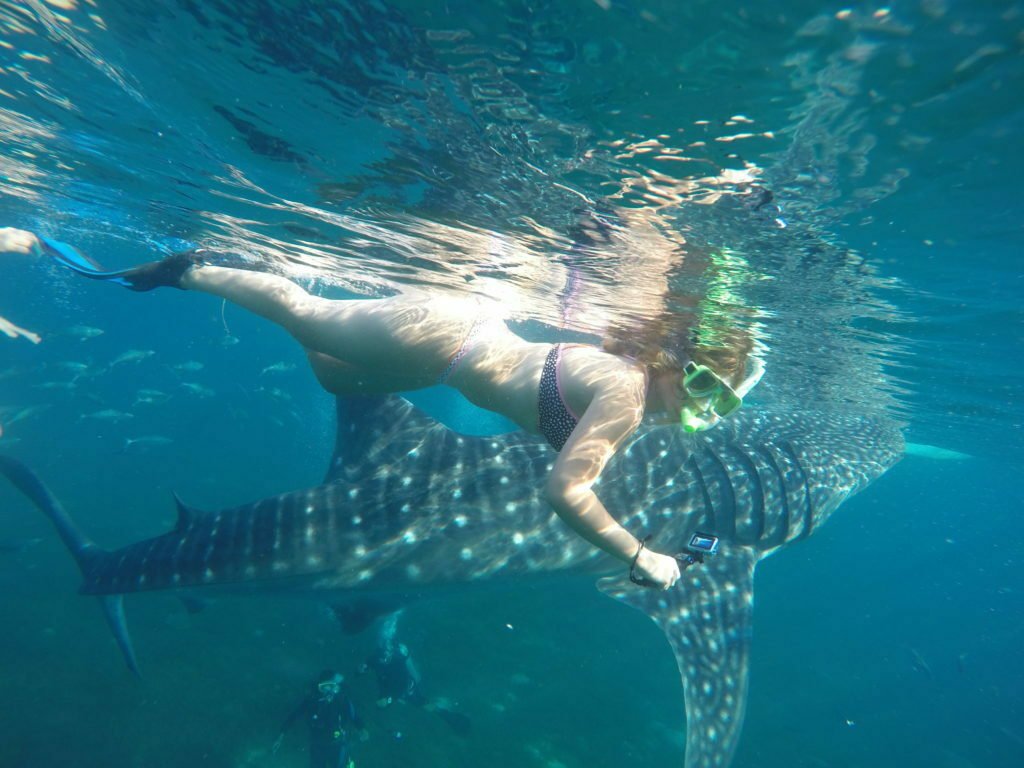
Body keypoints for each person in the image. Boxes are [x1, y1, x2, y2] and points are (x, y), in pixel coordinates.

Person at [1, 226, 762, 590]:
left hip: (444, 350)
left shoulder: (632, 388)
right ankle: (194, 267)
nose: (699, 414)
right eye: (699, 389)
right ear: (672, 365)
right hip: (444, 339)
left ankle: (303, 299)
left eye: (720, 407)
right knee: (300, 311)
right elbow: (565, 491)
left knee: (335, 377)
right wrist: (640, 554)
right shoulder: (626, 396)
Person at [274, 670, 367, 768]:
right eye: (325, 686)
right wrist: (281, 734)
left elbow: (354, 715)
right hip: (317, 745)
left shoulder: (342, 701)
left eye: (333, 687)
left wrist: (362, 729)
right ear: (319, 687)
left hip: (338, 744)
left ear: (337, 688)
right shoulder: (311, 701)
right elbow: (294, 716)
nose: (329, 690)